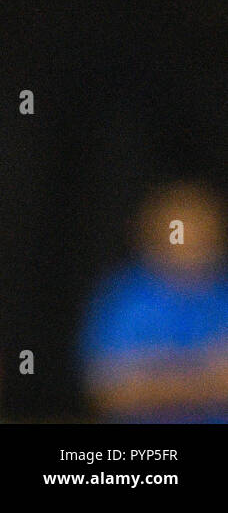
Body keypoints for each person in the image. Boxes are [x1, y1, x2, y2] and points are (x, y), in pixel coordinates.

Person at [80, 180, 228, 422]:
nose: (191, 246)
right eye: (181, 235)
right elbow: (110, 391)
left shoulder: (222, 295)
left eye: (203, 235)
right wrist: (204, 380)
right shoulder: (125, 299)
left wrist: (159, 377)